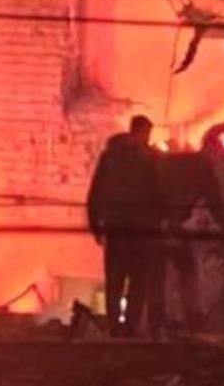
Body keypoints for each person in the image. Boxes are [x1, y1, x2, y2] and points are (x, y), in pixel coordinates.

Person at [149, 130, 224, 335]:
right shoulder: (203, 167)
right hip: (175, 224)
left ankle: (156, 320)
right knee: (186, 272)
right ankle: (191, 317)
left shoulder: (175, 162)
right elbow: (214, 200)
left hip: (157, 222)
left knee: (159, 273)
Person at [87, 115, 160, 337]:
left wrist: (96, 226)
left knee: (115, 281)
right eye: (147, 134)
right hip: (140, 231)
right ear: (142, 132)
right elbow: (158, 194)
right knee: (138, 281)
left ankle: (114, 328)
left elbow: (95, 193)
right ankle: (130, 328)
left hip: (115, 229)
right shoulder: (149, 158)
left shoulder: (110, 157)